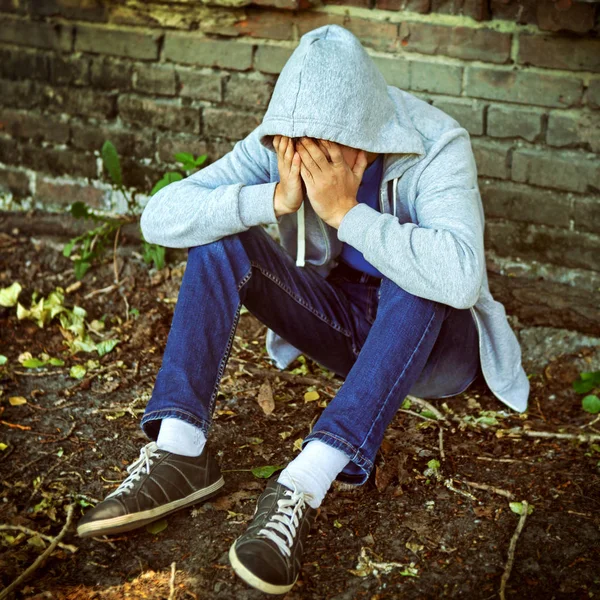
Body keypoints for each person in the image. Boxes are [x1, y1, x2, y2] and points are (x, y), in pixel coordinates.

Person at [76, 24, 529, 595]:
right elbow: (159, 216)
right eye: (295, 147)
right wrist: (270, 199)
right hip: (344, 327)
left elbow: (462, 277)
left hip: (433, 352)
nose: (306, 160)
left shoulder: (435, 143)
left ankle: (302, 483)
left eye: (325, 151)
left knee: (419, 274)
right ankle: (179, 451)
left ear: (366, 138)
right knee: (219, 240)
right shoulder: (285, 142)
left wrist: (346, 213)